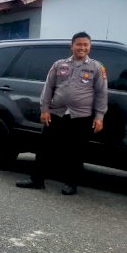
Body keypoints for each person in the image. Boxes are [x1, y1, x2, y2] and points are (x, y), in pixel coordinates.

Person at [16, 32, 108, 195]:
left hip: (81, 116)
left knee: (75, 151)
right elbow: (48, 87)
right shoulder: (59, 65)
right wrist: (45, 109)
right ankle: (37, 180)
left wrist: (99, 116)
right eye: (79, 44)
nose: (82, 48)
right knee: (45, 147)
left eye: (86, 45)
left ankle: (71, 184)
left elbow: (101, 93)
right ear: (72, 46)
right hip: (56, 113)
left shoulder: (96, 67)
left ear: (90, 47)